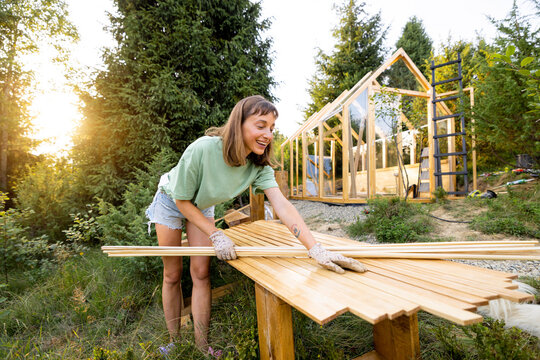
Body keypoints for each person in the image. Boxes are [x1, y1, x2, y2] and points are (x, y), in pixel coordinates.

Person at [145, 95, 366, 352]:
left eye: (272, 128)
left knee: (201, 273)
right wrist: (216, 234)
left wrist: (314, 248)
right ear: (238, 124)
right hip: (172, 200)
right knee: (172, 274)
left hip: (203, 202)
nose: (268, 134)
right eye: (260, 125)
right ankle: (175, 344)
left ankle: (202, 347)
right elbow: (183, 201)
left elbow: (283, 206)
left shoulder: (259, 166)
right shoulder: (203, 149)